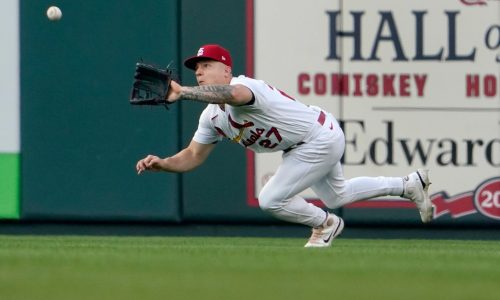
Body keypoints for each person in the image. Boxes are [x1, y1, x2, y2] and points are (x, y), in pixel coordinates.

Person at [136, 44, 435, 247]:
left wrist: (185, 92)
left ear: (226, 69)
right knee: (336, 194)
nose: (199, 71)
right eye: (196, 68)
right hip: (308, 141)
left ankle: (326, 225)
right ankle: (409, 185)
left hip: (318, 138)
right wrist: (162, 164)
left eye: (206, 65)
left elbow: (234, 95)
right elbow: (192, 155)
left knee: (270, 199)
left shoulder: (246, 86)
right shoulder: (212, 118)